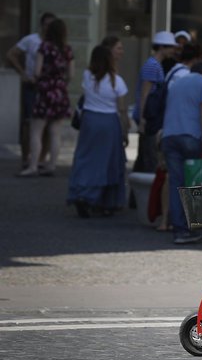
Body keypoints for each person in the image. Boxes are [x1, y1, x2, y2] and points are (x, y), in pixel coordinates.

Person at [67, 45, 129, 217]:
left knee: (85, 158)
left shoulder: (88, 76)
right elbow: (122, 109)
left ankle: (83, 194)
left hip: (90, 120)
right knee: (109, 161)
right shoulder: (117, 81)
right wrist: (125, 130)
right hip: (109, 122)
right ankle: (106, 201)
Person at [161, 62, 202, 244]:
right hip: (190, 137)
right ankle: (197, 226)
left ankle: (179, 230)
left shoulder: (177, 82)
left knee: (176, 184)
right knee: (194, 183)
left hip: (169, 137)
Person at [18, 18, 74, 177]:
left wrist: (38, 79)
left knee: (36, 130)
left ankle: (33, 165)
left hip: (44, 90)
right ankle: (51, 165)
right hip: (60, 91)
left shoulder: (45, 47)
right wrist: (62, 84)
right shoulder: (67, 49)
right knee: (55, 131)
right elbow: (71, 74)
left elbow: (37, 71)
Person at [6, 12, 56, 169]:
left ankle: (41, 158)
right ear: (41, 25)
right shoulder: (31, 40)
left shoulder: (56, 43)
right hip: (32, 86)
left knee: (48, 124)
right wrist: (23, 73)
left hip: (49, 88)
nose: (48, 28)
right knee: (29, 123)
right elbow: (11, 54)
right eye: (46, 25)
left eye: (51, 26)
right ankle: (26, 158)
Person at [132, 31, 178, 174]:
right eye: (170, 47)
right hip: (148, 118)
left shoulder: (155, 65)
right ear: (162, 47)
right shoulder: (152, 65)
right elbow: (145, 93)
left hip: (149, 117)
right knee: (148, 158)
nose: (173, 50)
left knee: (144, 158)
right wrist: (142, 119)